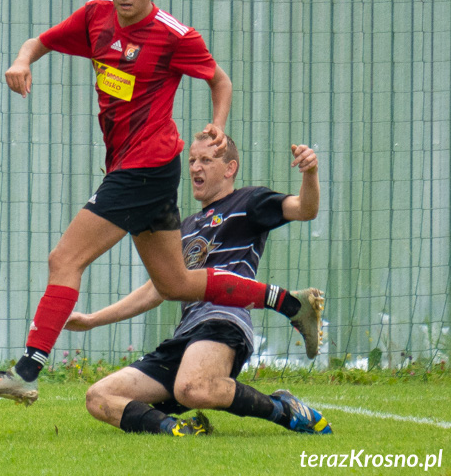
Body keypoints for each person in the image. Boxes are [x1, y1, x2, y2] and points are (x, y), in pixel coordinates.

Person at [0, 0, 324, 406]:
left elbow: (220, 80)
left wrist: (219, 124)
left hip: (146, 166)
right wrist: (22, 61)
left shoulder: (174, 35)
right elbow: (41, 41)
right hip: (131, 167)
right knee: (176, 283)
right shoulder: (97, 16)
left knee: (64, 259)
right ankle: (291, 304)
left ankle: (27, 370)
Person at [64, 133, 332, 436]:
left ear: (230, 168)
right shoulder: (185, 227)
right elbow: (157, 289)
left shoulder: (250, 202)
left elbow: (305, 209)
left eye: (206, 160)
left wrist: (310, 173)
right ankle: (178, 429)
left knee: (192, 388)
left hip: (223, 321)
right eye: (191, 160)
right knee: (98, 397)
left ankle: (283, 408)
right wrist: (91, 320)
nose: (195, 168)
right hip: (186, 335)